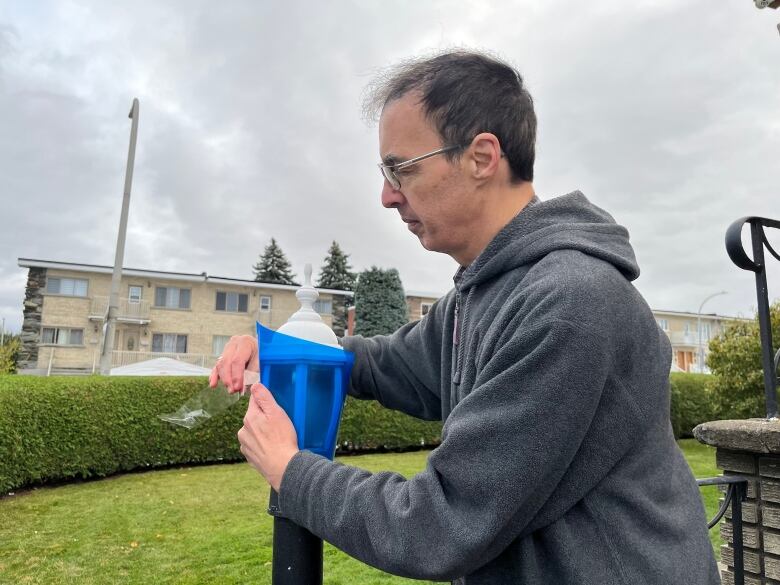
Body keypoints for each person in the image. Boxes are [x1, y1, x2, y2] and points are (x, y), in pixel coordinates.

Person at [211, 51, 719, 584]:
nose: (387, 196)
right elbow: (393, 365)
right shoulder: (484, 293)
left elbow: (439, 523)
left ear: (481, 157)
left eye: (400, 168)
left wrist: (291, 472)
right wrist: (286, 349)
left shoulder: (570, 303)